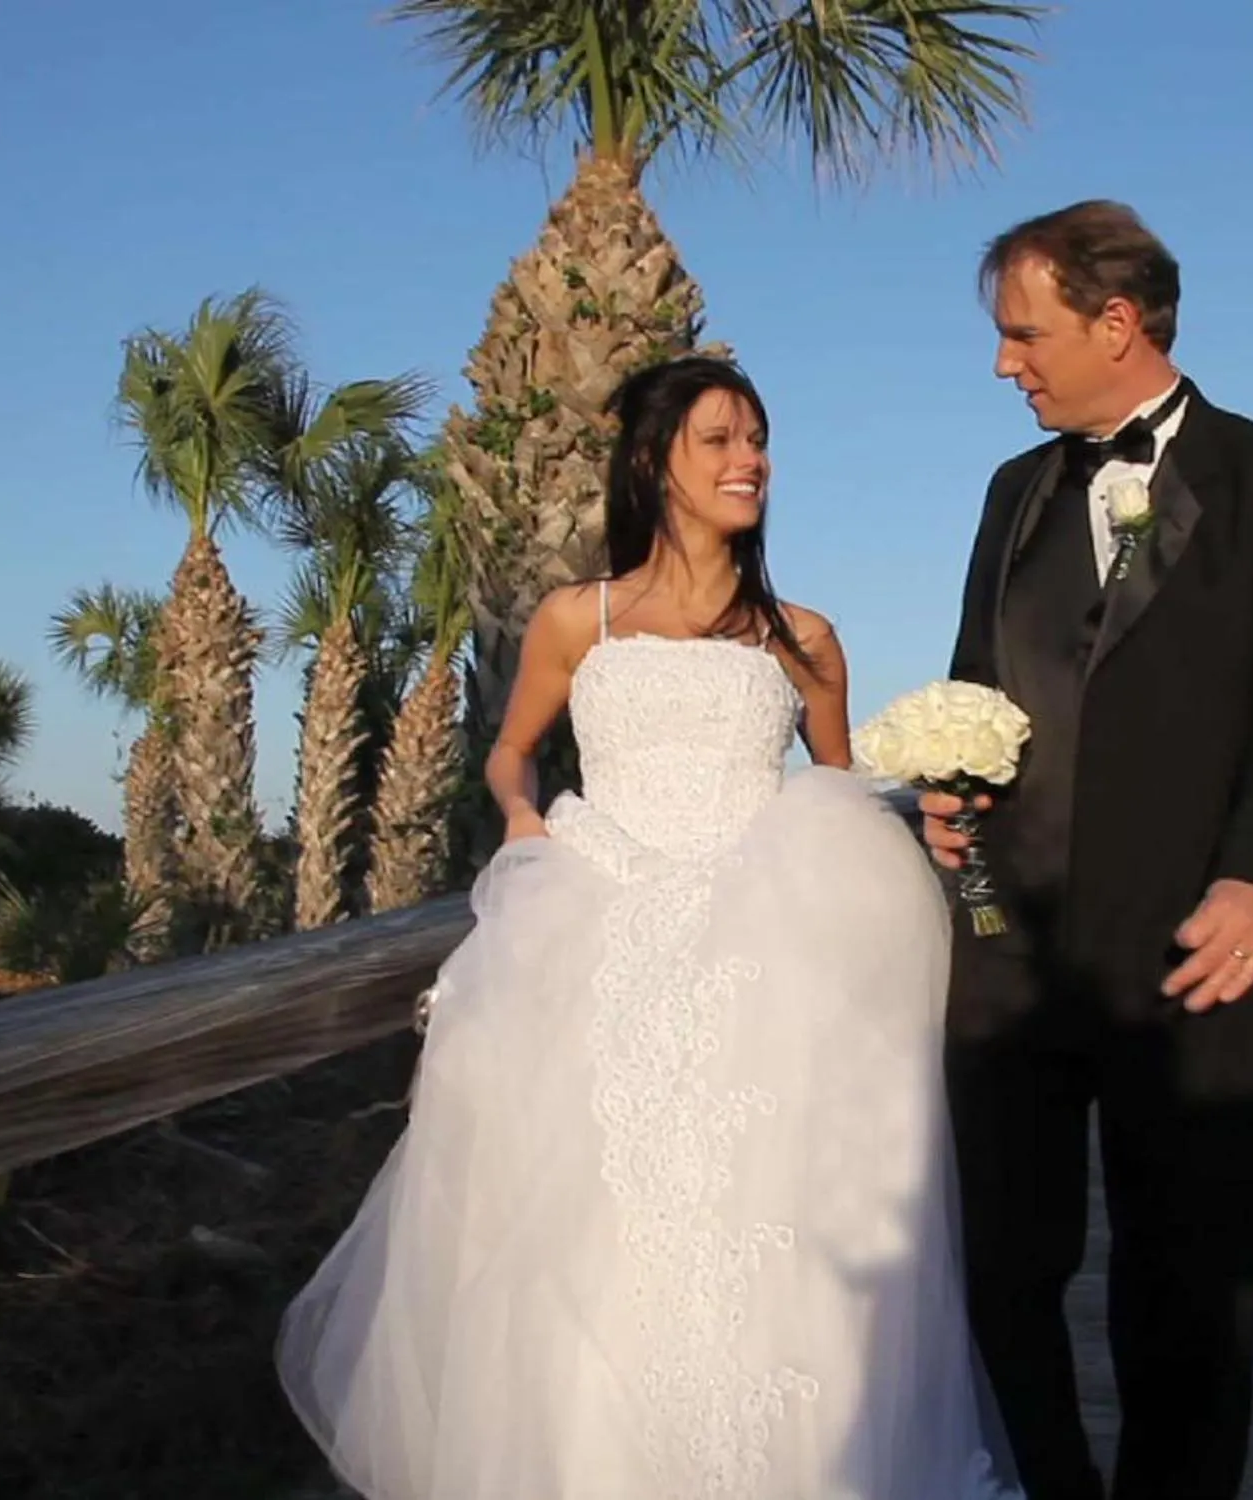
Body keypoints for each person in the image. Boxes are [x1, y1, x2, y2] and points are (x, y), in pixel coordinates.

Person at [278, 355, 1011, 1499]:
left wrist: (926, 812)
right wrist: (522, 820)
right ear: (650, 465)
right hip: (605, 924)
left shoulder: (801, 635)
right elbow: (510, 750)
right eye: (717, 440)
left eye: (758, 439)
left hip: (760, 948)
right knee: (599, 1218)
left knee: (765, 1213)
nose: (748, 461)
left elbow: (839, 783)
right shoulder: (581, 618)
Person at [921, 200, 1253, 1500]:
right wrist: (952, 796)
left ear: (1115, 324)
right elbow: (980, 687)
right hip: (1011, 962)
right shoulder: (1011, 493)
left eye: (1025, 334)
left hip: (1195, 962)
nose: (1005, 362)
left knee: (1185, 1302)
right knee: (1001, 1274)